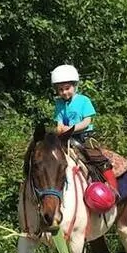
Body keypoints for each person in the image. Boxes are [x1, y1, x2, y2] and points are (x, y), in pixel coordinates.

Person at [51, 64, 119, 201]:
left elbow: (87, 121)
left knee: (97, 157)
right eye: (60, 90)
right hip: (65, 137)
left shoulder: (84, 101)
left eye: (67, 88)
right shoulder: (59, 103)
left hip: (84, 135)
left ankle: (113, 189)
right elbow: (59, 122)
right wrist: (59, 129)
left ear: (74, 86)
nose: (64, 92)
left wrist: (72, 129)